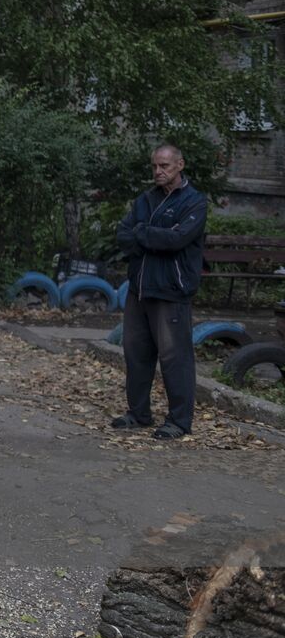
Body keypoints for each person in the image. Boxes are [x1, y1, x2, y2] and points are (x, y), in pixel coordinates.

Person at [112, 143, 208, 440]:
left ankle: (179, 421)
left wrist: (143, 234)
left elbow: (177, 239)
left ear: (180, 165)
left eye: (164, 166)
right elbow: (122, 235)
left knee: (174, 358)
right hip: (139, 289)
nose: (158, 171)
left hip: (171, 291)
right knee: (136, 354)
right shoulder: (145, 200)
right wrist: (150, 236)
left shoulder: (194, 202)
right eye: (155, 166)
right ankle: (138, 414)